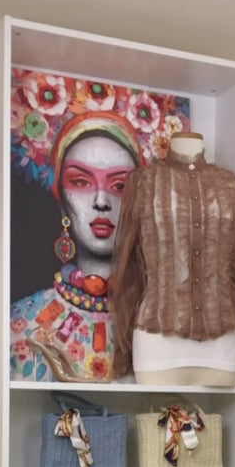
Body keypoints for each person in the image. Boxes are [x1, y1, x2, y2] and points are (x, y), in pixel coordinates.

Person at [10, 112, 142, 382]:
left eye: (120, 185)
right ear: (61, 200)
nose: (101, 201)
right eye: (81, 182)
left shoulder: (153, 320)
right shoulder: (22, 324)